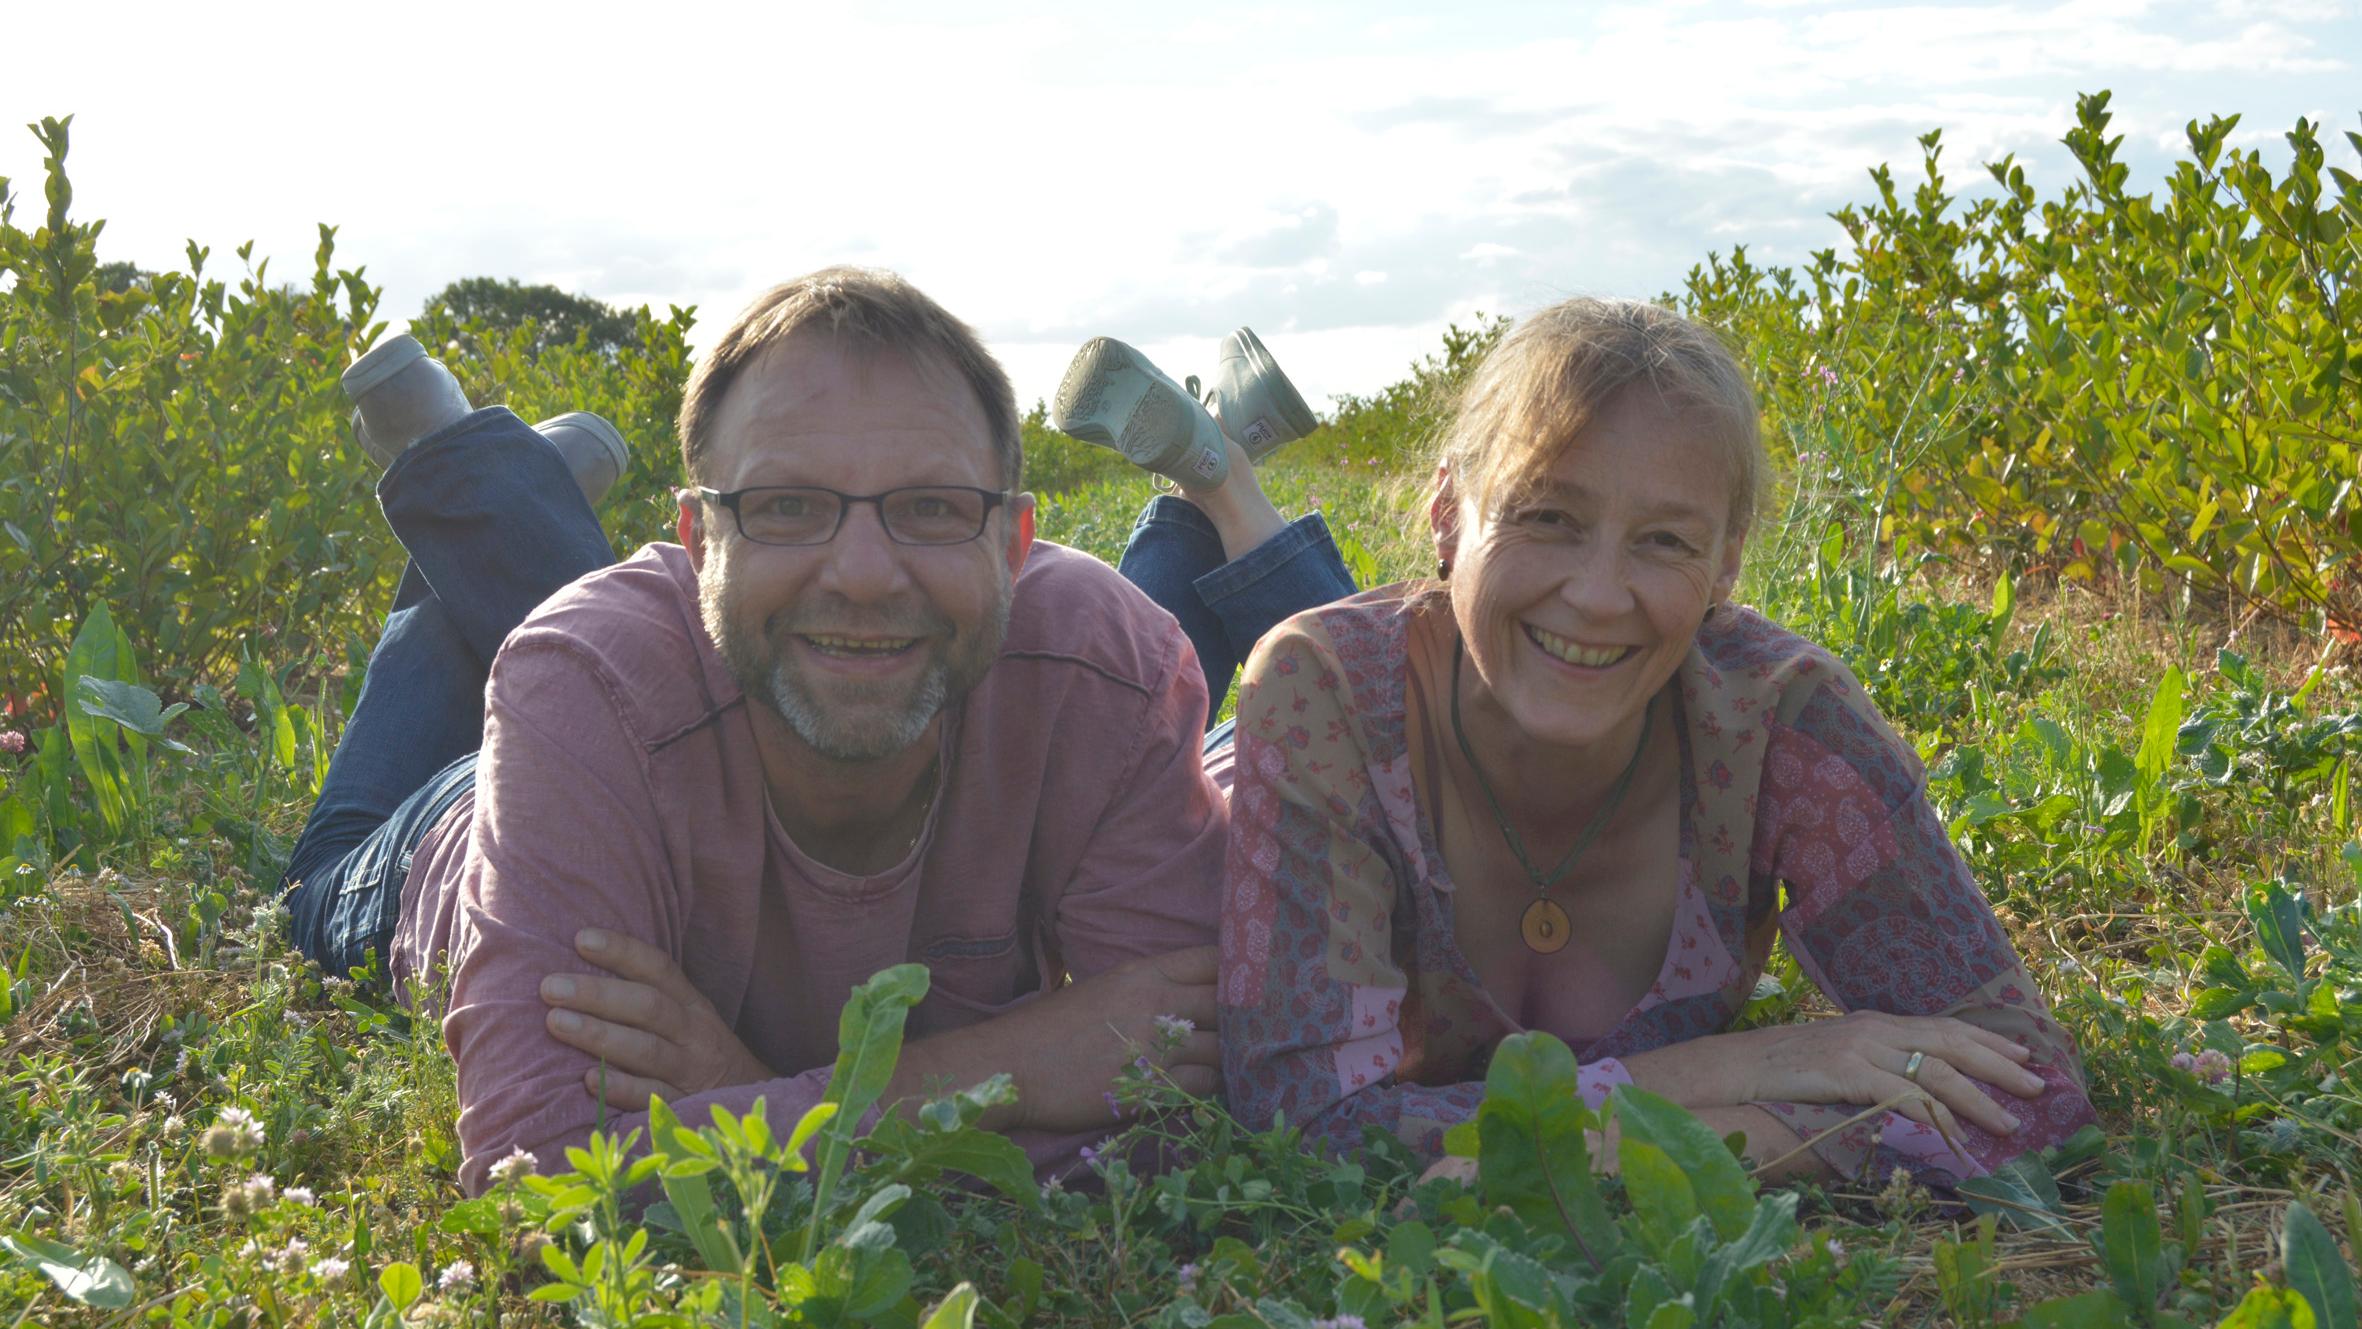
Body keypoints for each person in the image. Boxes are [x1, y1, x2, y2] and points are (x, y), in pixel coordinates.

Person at [276, 267, 1353, 1193]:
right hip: (436, 846)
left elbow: (1174, 1116)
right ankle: (458, 503)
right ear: (697, 538)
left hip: (666, 711)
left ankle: (490, 488)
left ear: (1015, 540)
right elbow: (547, 1175)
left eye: (932, 508)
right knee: (319, 867)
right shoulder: (574, 680)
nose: (866, 575)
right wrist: (1006, 1069)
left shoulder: (1099, 667)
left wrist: (739, 1101)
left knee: (684, 636)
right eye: (786, 505)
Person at [1217, 297, 2097, 1189]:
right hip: (1250, 757)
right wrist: (1730, 1073)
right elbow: (1306, 1124)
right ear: (1447, 511)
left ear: (1726, 563)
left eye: (1665, 540)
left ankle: (1226, 472)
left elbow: (2028, 1087)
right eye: (1546, 516)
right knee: (1207, 622)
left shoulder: (1782, 716)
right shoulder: (1320, 694)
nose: (1599, 595)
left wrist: (1602, 1150)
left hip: (1473, 642)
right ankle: (1214, 483)